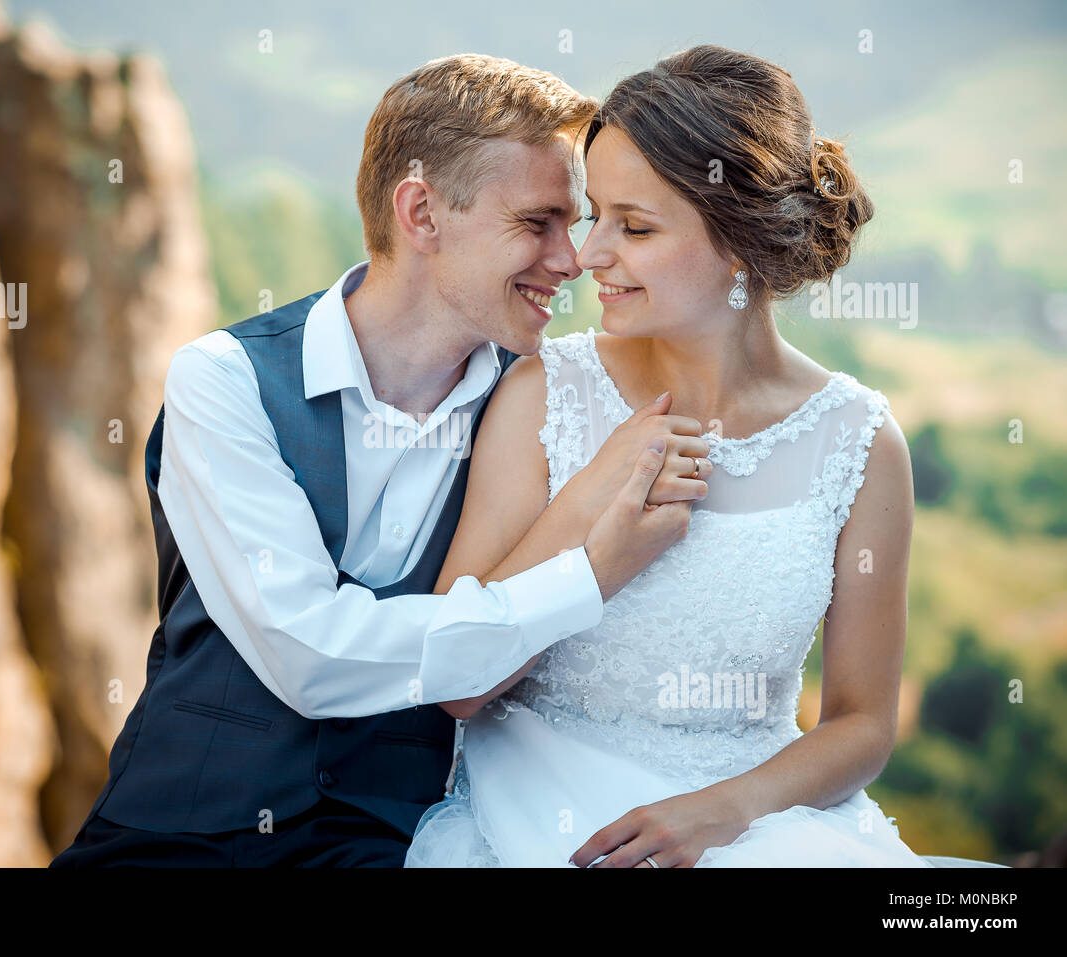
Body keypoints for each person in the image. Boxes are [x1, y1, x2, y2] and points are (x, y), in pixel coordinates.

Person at [51, 54, 707, 868]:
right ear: (422, 214)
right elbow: (311, 654)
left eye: (571, 225)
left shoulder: (543, 407)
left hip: (395, 844)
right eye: (537, 222)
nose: (570, 259)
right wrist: (586, 575)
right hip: (174, 836)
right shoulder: (224, 381)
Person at [405, 45, 1005, 868]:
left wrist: (723, 810)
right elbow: (455, 680)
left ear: (740, 242)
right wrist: (591, 498)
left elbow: (863, 724)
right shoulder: (546, 395)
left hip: (758, 825)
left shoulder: (861, 445)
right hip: (547, 819)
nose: (587, 255)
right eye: (595, 217)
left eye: (636, 227)